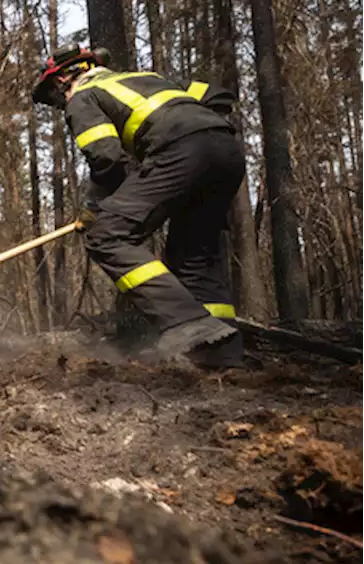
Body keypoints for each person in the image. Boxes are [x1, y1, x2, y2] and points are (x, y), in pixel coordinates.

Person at [32, 44, 245, 368]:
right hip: (226, 152)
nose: (58, 104)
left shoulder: (83, 96)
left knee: (106, 235)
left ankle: (184, 323)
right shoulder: (146, 77)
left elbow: (107, 158)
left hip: (180, 152)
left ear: (63, 79)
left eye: (53, 95)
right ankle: (222, 356)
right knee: (193, 256)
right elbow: (218, 96)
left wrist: (96, 208)